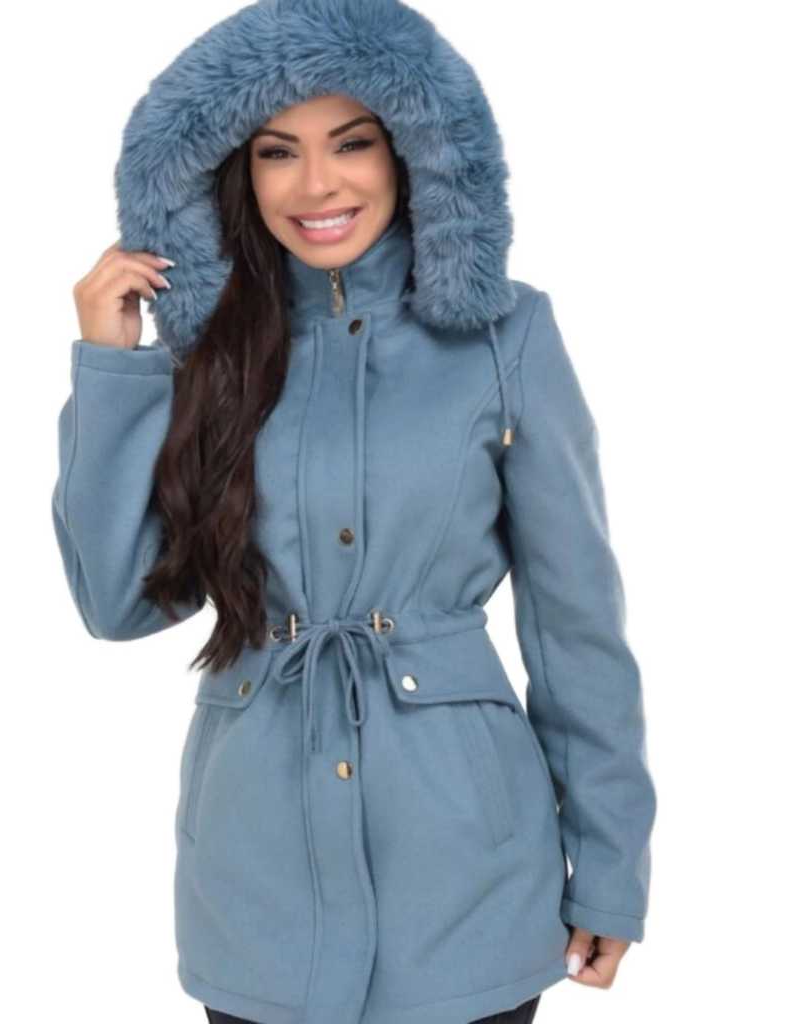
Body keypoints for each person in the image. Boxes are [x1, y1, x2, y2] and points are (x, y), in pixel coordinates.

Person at [51, 2, 657, 1022]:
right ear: (234, 171)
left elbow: (575, 624)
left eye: (352, 142)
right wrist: (114, 370)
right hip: (254, 883)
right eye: (276, 151)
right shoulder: (209, 355)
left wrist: (610, 863)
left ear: (415, 149)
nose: (316, 185)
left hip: (468, 874)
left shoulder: (506, 335)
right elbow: (118, 603)